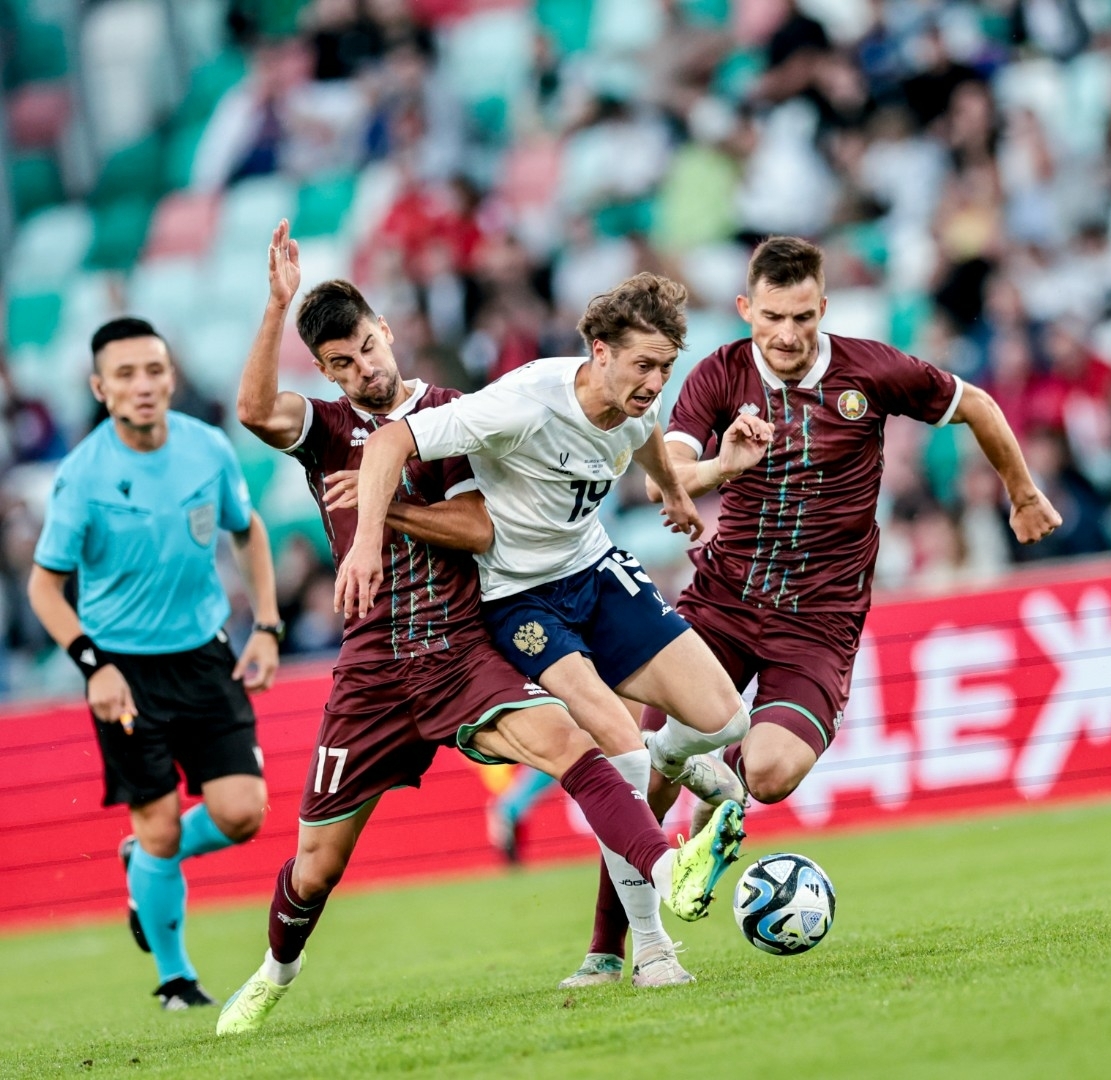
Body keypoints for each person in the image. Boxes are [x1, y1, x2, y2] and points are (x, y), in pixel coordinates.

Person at [216, 225, 744, 1035]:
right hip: (371, 669)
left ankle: (668, 878)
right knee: (317, 867)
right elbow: (254, 410)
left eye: (367, 348)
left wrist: (378, 521)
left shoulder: (452, 413)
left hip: (461, 650)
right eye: (342, 364)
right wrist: (276, 305)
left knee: (577, 747)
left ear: (386, 331)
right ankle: (274, 972)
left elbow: (478, 527)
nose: (363, 370)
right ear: (323, 370)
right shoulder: (325, 431)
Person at [565, 235, 1064, 986]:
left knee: (769, 773)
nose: (788, 334)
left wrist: (1022, 493)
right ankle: (608, 948)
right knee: (646, 768)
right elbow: (668, 475)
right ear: (746, 309)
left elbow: (979, 406)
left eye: (803, 316)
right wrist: (726, 463)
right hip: (723, 602)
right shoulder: (719, 374)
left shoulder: (871, 370)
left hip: (819, 624)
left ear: (824, 308)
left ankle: (721, 790)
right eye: (773, 317)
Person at [338, 271, 752, 989]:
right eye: (644, 365)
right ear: (600, 352)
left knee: (726, 720)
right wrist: (368, 539)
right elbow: (388, 444)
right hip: (521, 599)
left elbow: (647, 436)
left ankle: (672, 756)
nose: (655, 382)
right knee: (621, 755)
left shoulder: (634, 398)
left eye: (665, 367)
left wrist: (676, 491)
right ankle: (653, 951)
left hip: (596, 570)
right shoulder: (524, 401)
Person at [26, 317, 282, 1010]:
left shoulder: (207, 448)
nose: (143, 385)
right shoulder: (82, 476)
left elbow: (247, 529)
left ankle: (143, 864)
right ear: (100, 389)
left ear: (171, 377)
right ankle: (176, 980)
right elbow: (44, 587)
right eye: (126, 375)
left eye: (154, 370)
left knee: (243, 813)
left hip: (204, 655)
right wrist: (93, 667)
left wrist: (266, 625)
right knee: (161, 823)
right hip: (124, 670)